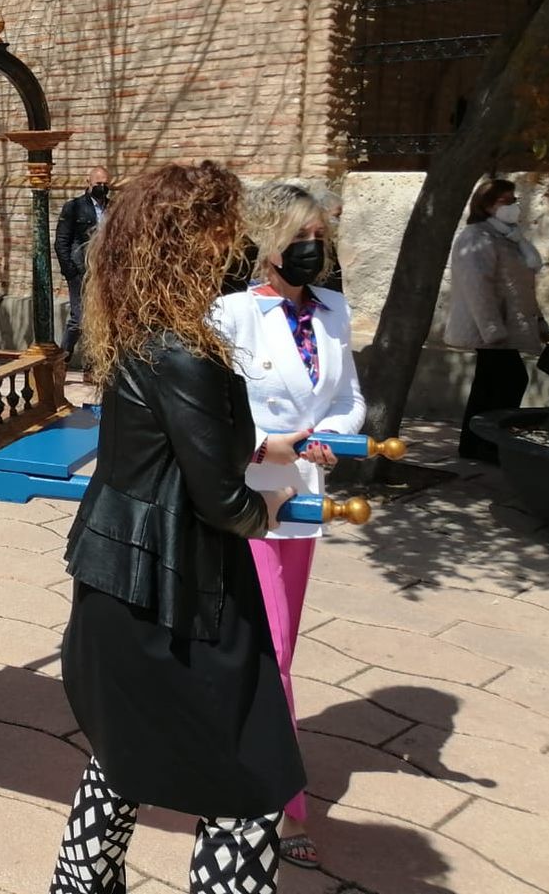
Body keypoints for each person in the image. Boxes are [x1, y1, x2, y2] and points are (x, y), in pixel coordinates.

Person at [53, 160, 301, 894]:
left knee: (124, 757)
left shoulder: (141, 336)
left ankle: (77, 885)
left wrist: (260, 446)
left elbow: (164, 445)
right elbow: (221, 500)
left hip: (121, 592)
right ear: (191, 243)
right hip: (173, 600)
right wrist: (268, 508)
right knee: (252, 782)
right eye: (229, 232)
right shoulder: (185, 353)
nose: (242, 249)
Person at [211, 182, 364, 872]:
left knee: (279, 649)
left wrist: (329, 434)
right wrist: (277, 442)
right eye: (302, 237)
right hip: (246, 500)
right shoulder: (232, 314)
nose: (314, 251)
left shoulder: (333, 310)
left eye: (320, 238)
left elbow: (349, 395)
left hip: (301, 504)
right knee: (268, 651)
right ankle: (280, 799)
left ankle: (232, 761)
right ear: (268, 241)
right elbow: (215, 411)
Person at [446, 178, 549, 463]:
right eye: (507, 201)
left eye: (514, 200)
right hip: (491, 328)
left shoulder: (509, 236)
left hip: (505, 325)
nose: (514, 206)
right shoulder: (476, 237)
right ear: (487, 206)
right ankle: (487, 444)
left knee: (490, 384)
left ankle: (476, 445)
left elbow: (521, 285)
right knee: (510, 379)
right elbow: (477, 286)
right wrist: (492, 328)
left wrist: (538, 321)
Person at [54, 165, 111, 360]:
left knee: (101, 318)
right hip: (81, 271)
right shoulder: (74, 207)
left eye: (105, 184)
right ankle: (62, 359)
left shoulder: (111, 208)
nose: (102, 188)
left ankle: (94, 364)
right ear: (89, 183)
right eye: (98, 184)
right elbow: (61, 242)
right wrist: (70, 271)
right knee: (79, 319)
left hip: (104, 271)